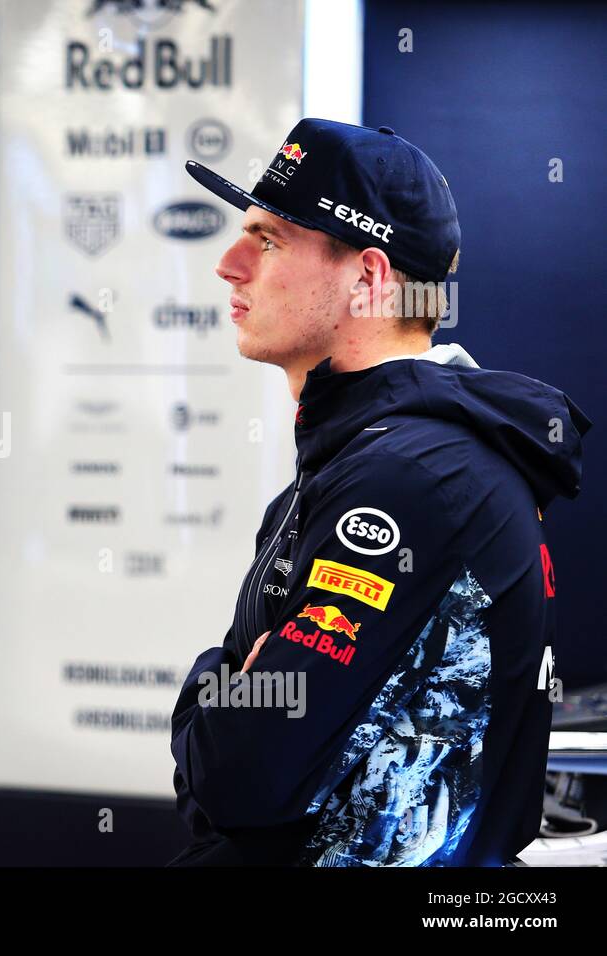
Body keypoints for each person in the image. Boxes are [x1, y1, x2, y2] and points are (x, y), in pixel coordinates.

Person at [168, 118, 591, 866]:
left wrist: (211, 683)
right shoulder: (367, 457)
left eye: (268, 241)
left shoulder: (414, 477)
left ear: (368, 278)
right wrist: (231, 683)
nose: (229, 265)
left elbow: (237, 777)